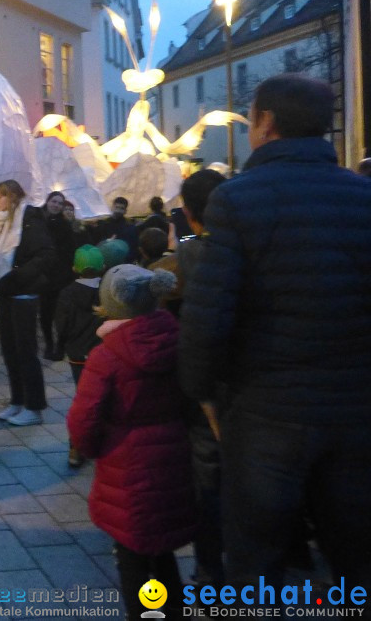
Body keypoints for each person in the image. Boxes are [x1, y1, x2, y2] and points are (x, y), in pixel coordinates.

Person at [180, 74, 371, 590]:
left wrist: (203, 397)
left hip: (269, 412)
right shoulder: (363, 196)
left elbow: (208, 314)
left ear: (265, 123)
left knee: (257, 556)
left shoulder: (239, 200)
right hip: (355, 409)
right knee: (355, 550)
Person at [66, 264, 194, 619]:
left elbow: (84, 418)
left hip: (126, 465)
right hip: (174, 457)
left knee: (132, 556)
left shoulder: (106, 356)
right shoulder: (178, 341)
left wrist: (91, 448)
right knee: (163, 549)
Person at [171, 168, 228, 589]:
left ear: (190, 213)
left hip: (208, 387)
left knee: (208, 480)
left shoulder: (191, 251)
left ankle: (210, 574)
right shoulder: (245, 242)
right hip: (252, 382)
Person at [0, 180, 54, 427]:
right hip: (6, 292)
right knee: (9, 349)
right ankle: (17, 400)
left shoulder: (30, 218)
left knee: (26, 351)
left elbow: (44, 255)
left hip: (23, 293)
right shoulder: (3, 222)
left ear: (12, 197)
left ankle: (34, 407)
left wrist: (18, 275)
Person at [52, 244, 105, 468]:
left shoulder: (67, 293)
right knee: (104, 398)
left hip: (78, 355)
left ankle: (77, 446)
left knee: (82, 400)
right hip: (102, 354)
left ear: (75, 267)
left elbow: (61, 325)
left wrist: (59, 347)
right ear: (103, 267)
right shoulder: (106, 292)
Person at [39, 191, 76, 361]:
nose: (56, 205)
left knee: (61, 314)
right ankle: (49, 344)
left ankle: (60, 345)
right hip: (44, 275)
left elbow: (69, 252)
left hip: (60, 277)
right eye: (54, 201)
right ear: (47, 202)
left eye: (59, 203)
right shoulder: (39, 221)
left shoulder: (65, 226)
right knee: (45, 313)